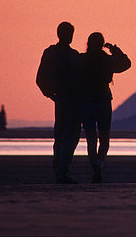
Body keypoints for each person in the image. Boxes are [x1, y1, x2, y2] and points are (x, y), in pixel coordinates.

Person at [80, 32, 131, 182]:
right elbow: (126, 63)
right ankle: (100, 163)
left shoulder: (82, 59)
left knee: (91, 138)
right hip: (103, 99)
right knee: (104, 137)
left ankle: (95, 166)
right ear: (102, 44)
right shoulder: (107, 60)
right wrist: (114, 49)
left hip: (87, 101)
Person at [36, 21, 81, 184]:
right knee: (69, 136)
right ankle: (61, 171)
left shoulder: (51, 53)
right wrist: (51, 94)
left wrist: (50, 94)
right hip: (69, 99)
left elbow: (40, 78)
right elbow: (40, 79)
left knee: (62, 136)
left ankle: (60, 171)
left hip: (63, 99)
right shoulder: (72, 55)